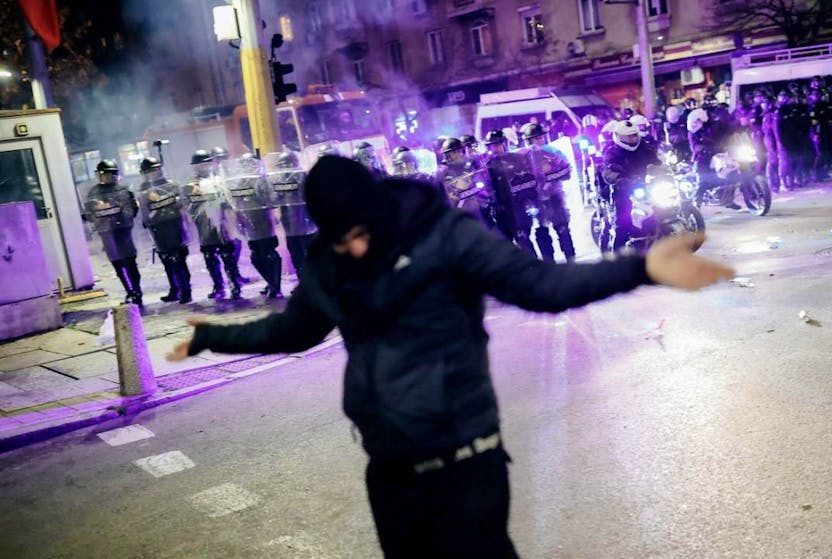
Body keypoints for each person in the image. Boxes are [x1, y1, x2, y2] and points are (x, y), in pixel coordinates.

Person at [167, 155, 735, 558]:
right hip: (389, 474)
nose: (356, 248)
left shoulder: (443, 234)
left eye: (362, 233)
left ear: (377, 208)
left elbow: (540, 286)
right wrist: (214, 337)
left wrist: (641, 269)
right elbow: (292, 330)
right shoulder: (330, 264)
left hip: (466, 464)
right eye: (342, 240)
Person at [183, 150, 242, 300]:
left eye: (207, 164)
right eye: (200, 165)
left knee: (227, 256)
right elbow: (188, 206)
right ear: (195, 167)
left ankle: (234, 284)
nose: (204, 168)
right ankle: (219, 286)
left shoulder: (220, 181)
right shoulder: (190, 185)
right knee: (210, 257)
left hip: (222, 225)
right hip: (204, 227)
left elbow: (230, 202)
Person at [84, 160, 143, 307]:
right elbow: (90, 213)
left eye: (108, 174)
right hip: (106, 232)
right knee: (118, 264)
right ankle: (130, 291)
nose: (105, 177)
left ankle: (136, 291)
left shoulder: (123, 189)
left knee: (130, 262)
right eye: (103, 174)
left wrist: (117, 213)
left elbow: (132, 210)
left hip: (123, 230)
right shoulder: (94, 192)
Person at [226, 153, 283, 298]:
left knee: (269, 253)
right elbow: (235, 201)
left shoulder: (262, 180)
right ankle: (271, 283)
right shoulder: (239, 182)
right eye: (245, 165)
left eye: (250, 164)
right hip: (248, 222)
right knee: (256, 256)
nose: (248, 168)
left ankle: (275, 287)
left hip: (263, 220)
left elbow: (272, 198)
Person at [138, 157, 192, 303]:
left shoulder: (171, 185)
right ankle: (175, 289)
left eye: (155, 170)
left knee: (179, 258)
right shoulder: (143, 189)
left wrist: (161, 198)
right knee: (166, 260)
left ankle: (185, 290)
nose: (153, 174)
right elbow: (144, 211)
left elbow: (180, 203)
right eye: (149, 171)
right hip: (157, 228)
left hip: (173, 225)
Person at [602, 119, 662, 250]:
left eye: (634, 135)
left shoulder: (644, 147)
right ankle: (616, 257)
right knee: (622, 223)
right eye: (627, 136)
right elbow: (608, 171)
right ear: (618, 137)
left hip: (647, 186)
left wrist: (665, 168)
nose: (632, 139)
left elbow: (657, 161)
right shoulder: (612, 152)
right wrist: (620, 180)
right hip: (624, 190)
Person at [520, 122, 576, 262]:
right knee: (541, 230)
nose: (540, 141)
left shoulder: (553, 152)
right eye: (536, 138)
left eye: (541, 137)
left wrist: (548, 178)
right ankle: (547, 261)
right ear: (528, 141)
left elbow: (567, 171)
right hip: (535, 200)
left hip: (554, 196)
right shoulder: (522, 157)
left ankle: (570, 258)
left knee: (562, 228)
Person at [485, 129, 539, 255]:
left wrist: (528, 199)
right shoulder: (488, 164)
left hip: (516, 206)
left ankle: (535, 268)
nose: (495, 148)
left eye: (497, 144)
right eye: (492, 145)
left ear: (504, 143)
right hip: (499, 209)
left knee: (523, 238)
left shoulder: (516, 158)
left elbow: (527, 178)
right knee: (505, 243)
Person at [268, 151, 317, 280]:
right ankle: (303, 282)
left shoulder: (303, 176)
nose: (285, 169)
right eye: (282, 166)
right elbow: (273, 201)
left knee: (311, 254)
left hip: (306, 223)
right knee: (296, 254)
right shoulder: (279, 181)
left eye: (287, 165)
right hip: (290, 225)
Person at [211, 146, 251, 286]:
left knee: (237, 242)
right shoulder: (213, 175)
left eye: (224, 157)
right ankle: (232, 275)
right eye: (219, 158)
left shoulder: (232, 172)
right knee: (229, 245)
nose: (222, 161)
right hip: (223, 212)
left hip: (235, 209)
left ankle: (235, 274)